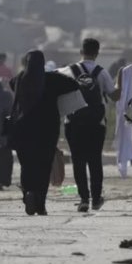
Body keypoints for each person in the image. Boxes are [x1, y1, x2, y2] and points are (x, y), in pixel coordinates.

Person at [9, 50, 81, 215]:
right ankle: (40, 203)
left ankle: (28, 193)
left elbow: (11, 84)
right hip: (47, 131)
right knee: (43, 166)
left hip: (23, 129)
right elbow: (73, 84)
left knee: (27, 166)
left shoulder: (19, 79)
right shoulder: (52, 79)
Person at [60, 38, 122, 212]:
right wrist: (120, 79)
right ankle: (96, 199)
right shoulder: (101, 73)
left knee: (78, 161)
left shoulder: (67, 71)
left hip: (73, 123)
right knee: (95, 161)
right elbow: (115, 96)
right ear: (97, 53)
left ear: (81, 51)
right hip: (96, 124)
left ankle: (83, 199)